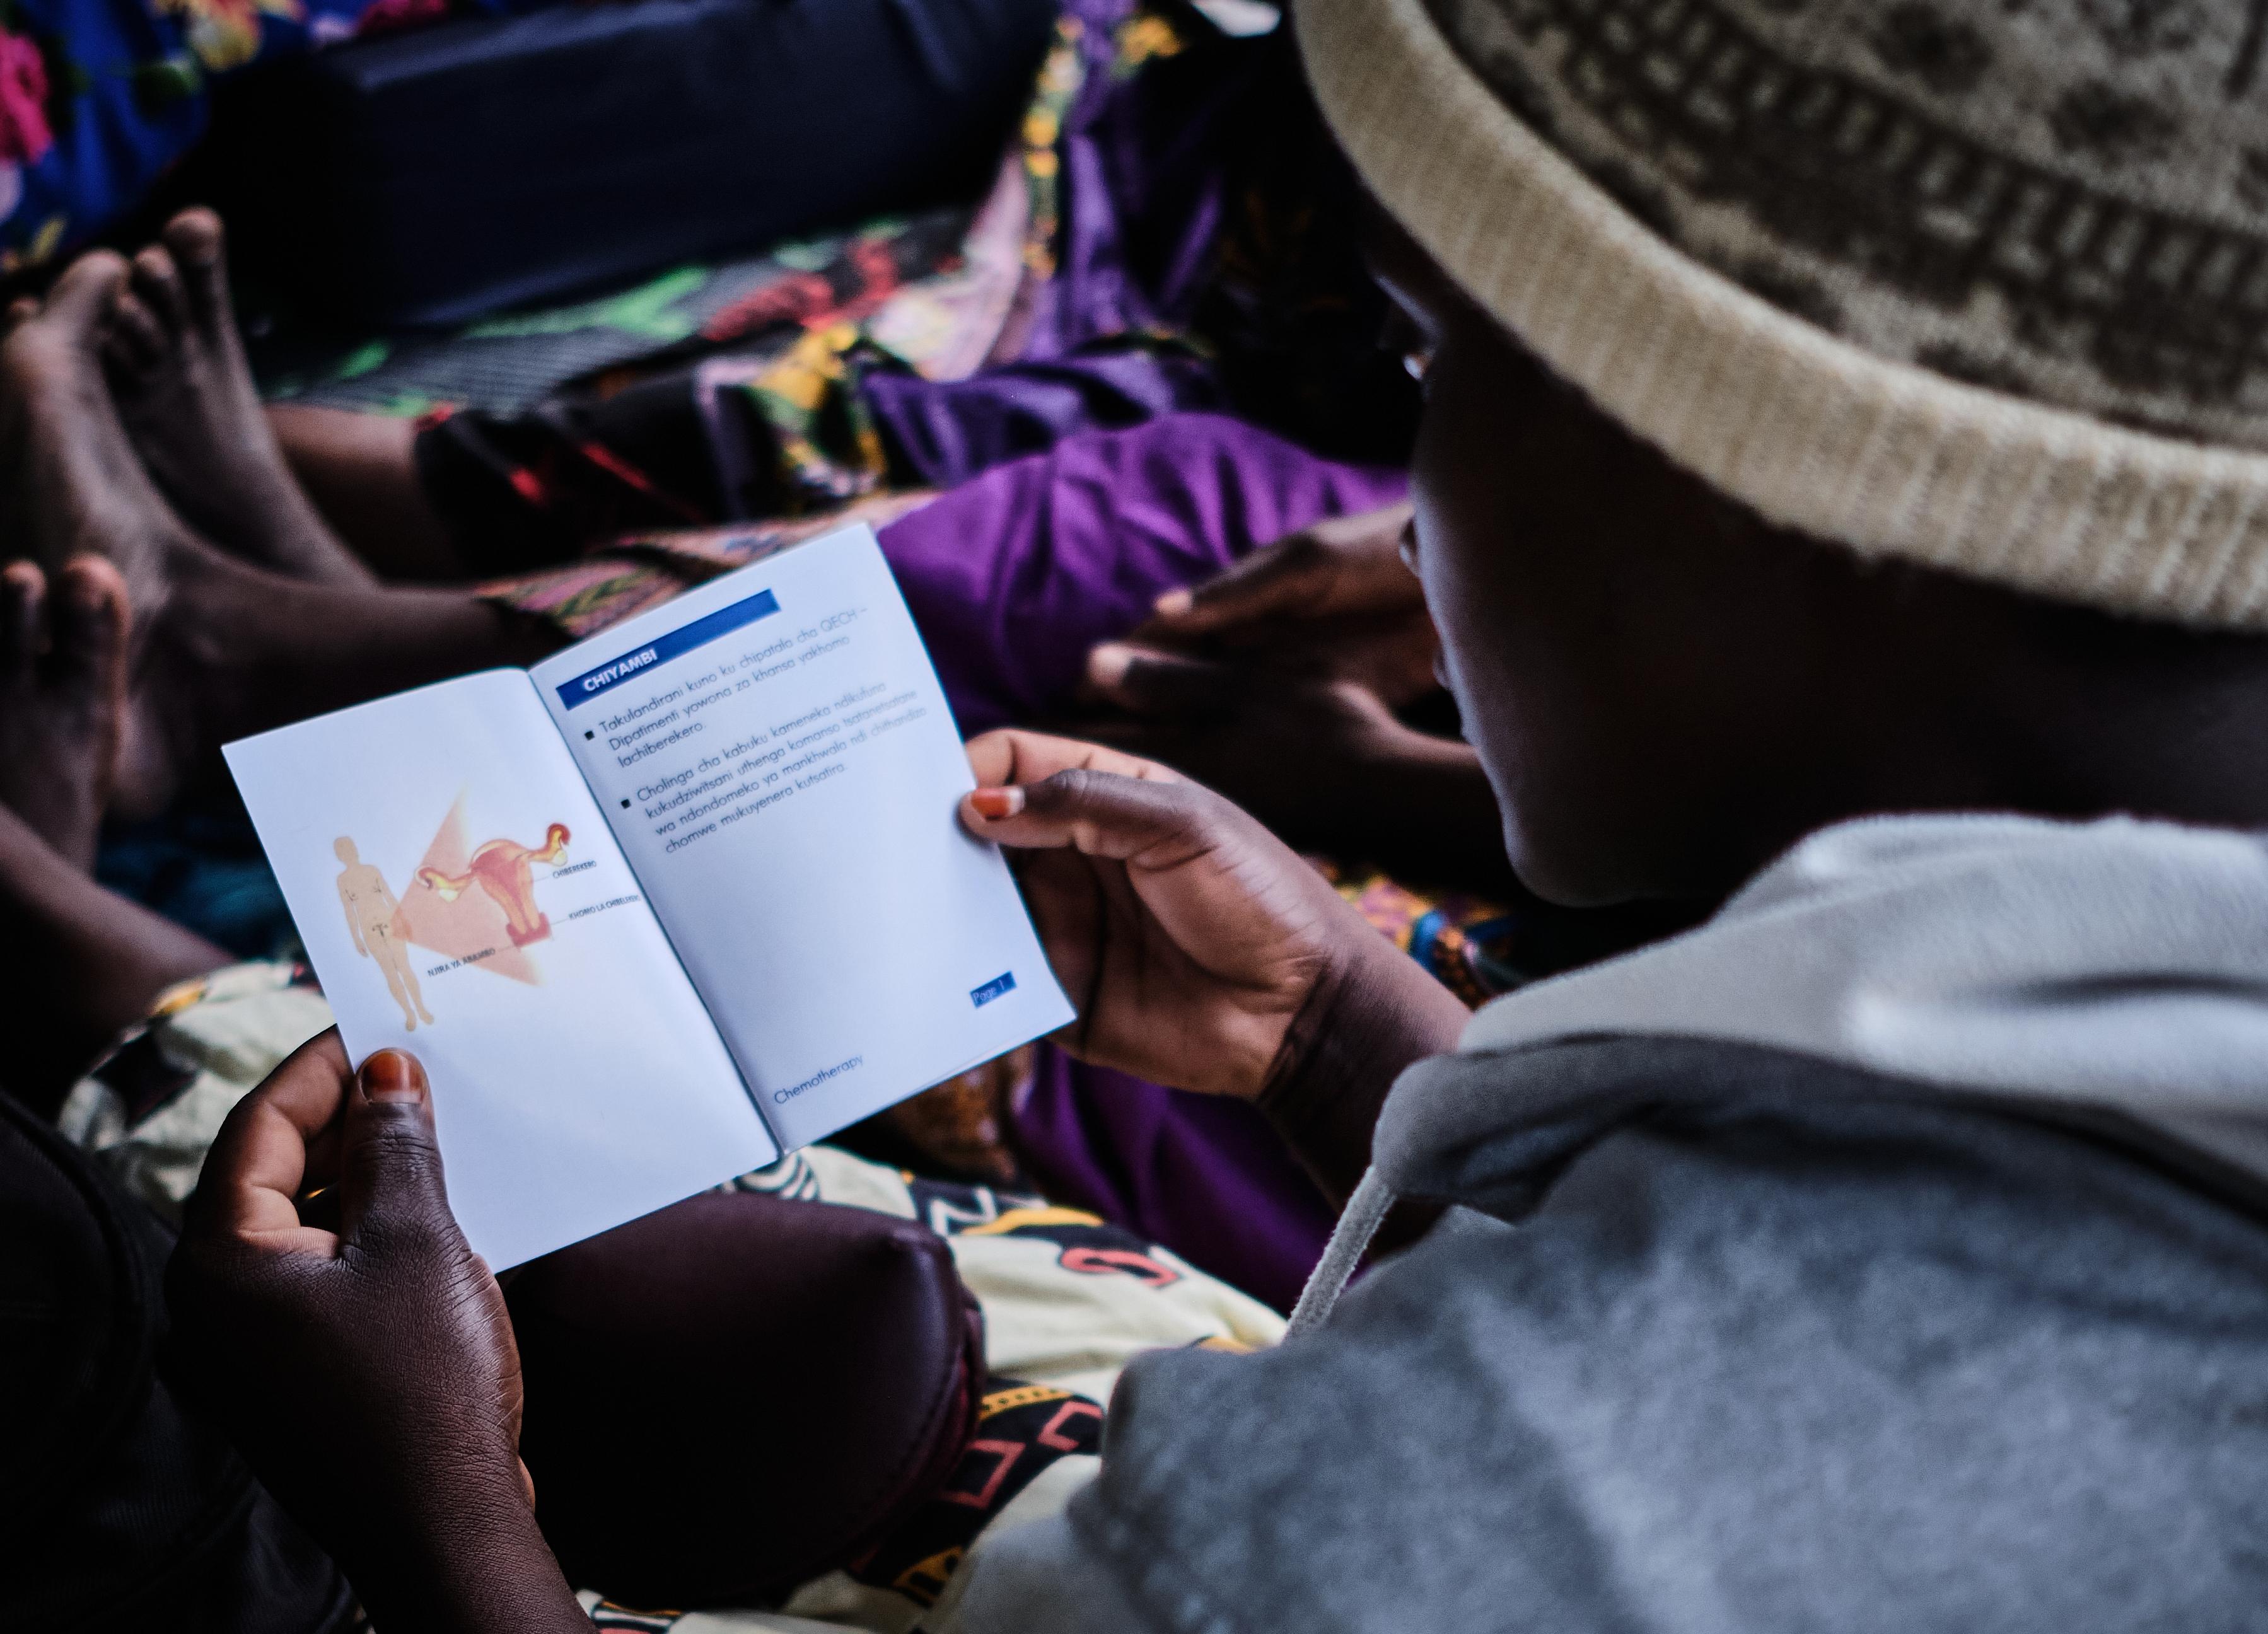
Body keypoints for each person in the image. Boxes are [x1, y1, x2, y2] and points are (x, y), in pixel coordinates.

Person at [166, 0, 2268, 1625]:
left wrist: (427, 1521)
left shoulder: (1411, 1525)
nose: (1388, 516)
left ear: (1748, 502)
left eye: (1431, 371)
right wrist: (1359, 1045)